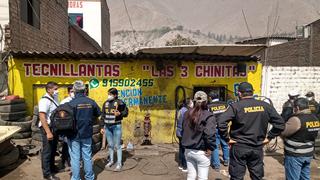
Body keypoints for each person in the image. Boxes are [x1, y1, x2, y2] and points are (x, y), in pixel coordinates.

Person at [218, 82, 285, 180]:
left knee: (236, 177)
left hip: (239, 147)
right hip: (257, 147)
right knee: (257, 176)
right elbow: (280, 124)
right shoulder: (265, 106)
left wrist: (226, 138)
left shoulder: (235, 106)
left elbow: (220, 123)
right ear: (252, 92)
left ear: (239, 93)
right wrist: (269, 137)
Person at [67, 80, 101, 180]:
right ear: (85, 90)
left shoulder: (71, 103)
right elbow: (98, 114)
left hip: (74, 135)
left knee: (75, 158)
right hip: (87, 133)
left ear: (74, 90)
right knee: (87, 157)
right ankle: (89, 177)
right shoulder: (91, 102)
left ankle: (76, 178)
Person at [281, 98, 319, 180]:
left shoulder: (296, 119)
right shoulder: (315, 118)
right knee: (305, 177)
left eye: (294, 108)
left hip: (295, 155)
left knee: (293, 178)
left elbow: (283, 132)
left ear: (297, 108)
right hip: (308, 154)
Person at [182, 91, 216, 180]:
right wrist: (210, 148)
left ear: (194, 101)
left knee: (191, 176)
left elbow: (183, 130)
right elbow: (209, 134)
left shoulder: (186, 113)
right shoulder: (209, 116)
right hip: (202, 152)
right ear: (206, 102)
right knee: (202, 177)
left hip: (188, 150)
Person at [100, 88, 128, 171]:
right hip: (107, 127)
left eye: (110, 94)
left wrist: (120, 113)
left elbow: (126, 113)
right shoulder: (106, 103)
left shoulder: (120, 103)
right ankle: (111, 161)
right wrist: (102, 127)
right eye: (108, 94)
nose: (109, 96)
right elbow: (103, 115)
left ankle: (119, 163)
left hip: (116, 126)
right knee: (110, 145)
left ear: (115, 95)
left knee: (117, 145)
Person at [38, 81, 60, 180]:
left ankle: (52, 167)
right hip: (47, 128)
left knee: (53, 149)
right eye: (55, 89)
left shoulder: (54, 98)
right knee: (47, 151)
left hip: (54, 128)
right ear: (49, 90)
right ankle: (47, 174)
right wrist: (48, 132)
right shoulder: (44, 100)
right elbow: (42, 116)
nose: (57, 91)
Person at [207, 92, 229, 171]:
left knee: (215, 146)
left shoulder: (209, 106)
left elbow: (207, 118)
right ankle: (226, 161)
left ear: (210, 98)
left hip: (214, 128)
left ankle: (216, 165)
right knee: (225, 144)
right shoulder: (225, 104)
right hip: (224, 128)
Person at [176, 98, 193, 172]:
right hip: (183, 133)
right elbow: (185, 124)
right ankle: (185, 166)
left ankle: (180, 164)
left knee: (181, 149)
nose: (193, 104)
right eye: (192, 102)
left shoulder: (180, 110)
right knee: (185, 150)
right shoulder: (186, 111)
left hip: (179, 132)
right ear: (188, 104)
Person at [59, 85, 74, 170]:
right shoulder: (64, 102)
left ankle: (72, 161)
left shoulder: (76, 101)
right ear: (68, 92)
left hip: (74, 127)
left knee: (72, 145)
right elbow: (61, 115)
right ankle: (65, 161)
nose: (73, 93)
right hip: (66, 126)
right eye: (71, 91)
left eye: (74, 91)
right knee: (66, 144)